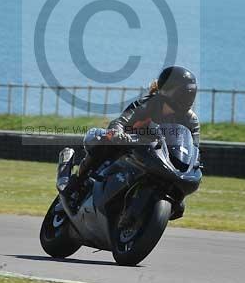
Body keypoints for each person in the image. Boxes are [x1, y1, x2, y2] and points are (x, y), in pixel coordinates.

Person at [64, 65, 200, 219]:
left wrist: (194, 165)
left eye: (190, 93)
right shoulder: (149, 103)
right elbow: (122, 120)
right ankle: (75, 185)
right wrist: (117, 133)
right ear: (168, 90)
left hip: (161, 157)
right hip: (128, 145)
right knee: (99, 139)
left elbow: (194, 147)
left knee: (178, 206)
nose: (187, 98)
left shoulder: (191, 119)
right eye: (183, 93)